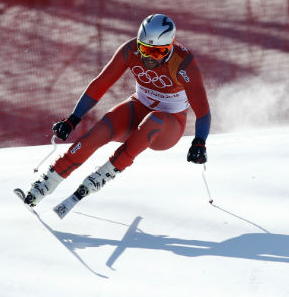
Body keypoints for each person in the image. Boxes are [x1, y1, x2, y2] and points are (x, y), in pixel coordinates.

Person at [23, 14, 211, 207]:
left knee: (155, 119)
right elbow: (100, 84)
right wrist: (73, 119)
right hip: (138, 106)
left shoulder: (183, 64)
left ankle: (105, 173)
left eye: (157, 53)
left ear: (170, 47)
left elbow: (203, 111)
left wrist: (199, 142)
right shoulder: (130, 51)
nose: (148, 57)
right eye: (144, 48)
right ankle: (47, 183)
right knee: (100, 131)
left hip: (169, 124)